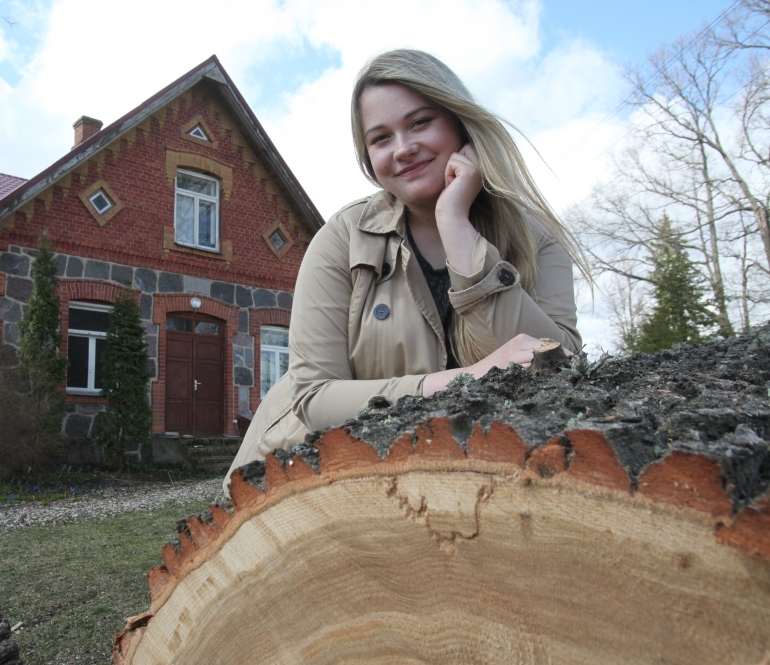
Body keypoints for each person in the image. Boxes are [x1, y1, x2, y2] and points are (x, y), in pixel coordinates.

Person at [226, 49, 587, 487]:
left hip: (455, 481)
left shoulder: (536, 238)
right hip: (290, 485)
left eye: (420, 122)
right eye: (380, 138)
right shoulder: (340, 240)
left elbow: (559, 365)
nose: (403, 149)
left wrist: (456, 226)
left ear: (459, 122)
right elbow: (315, 397)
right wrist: (465, 379)